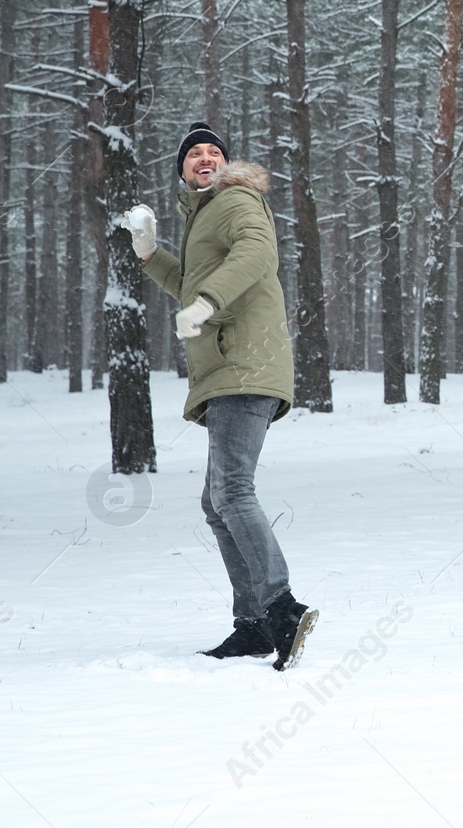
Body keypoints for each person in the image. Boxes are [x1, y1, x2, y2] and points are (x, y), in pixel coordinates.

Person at [124, 121, 318, 671]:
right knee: (217, 501)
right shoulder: (202, 216)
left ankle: (281, 607)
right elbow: (189, 280)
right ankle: (253, 625)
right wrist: (147, 252)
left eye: (213, 152)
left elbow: (256, 254)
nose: (204, 158)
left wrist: (207, 300)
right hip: (228, 368)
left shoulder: (236, 200)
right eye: (194, 154)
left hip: (243, 363)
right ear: (182, 169)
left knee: (232, 492)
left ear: (224, 165)